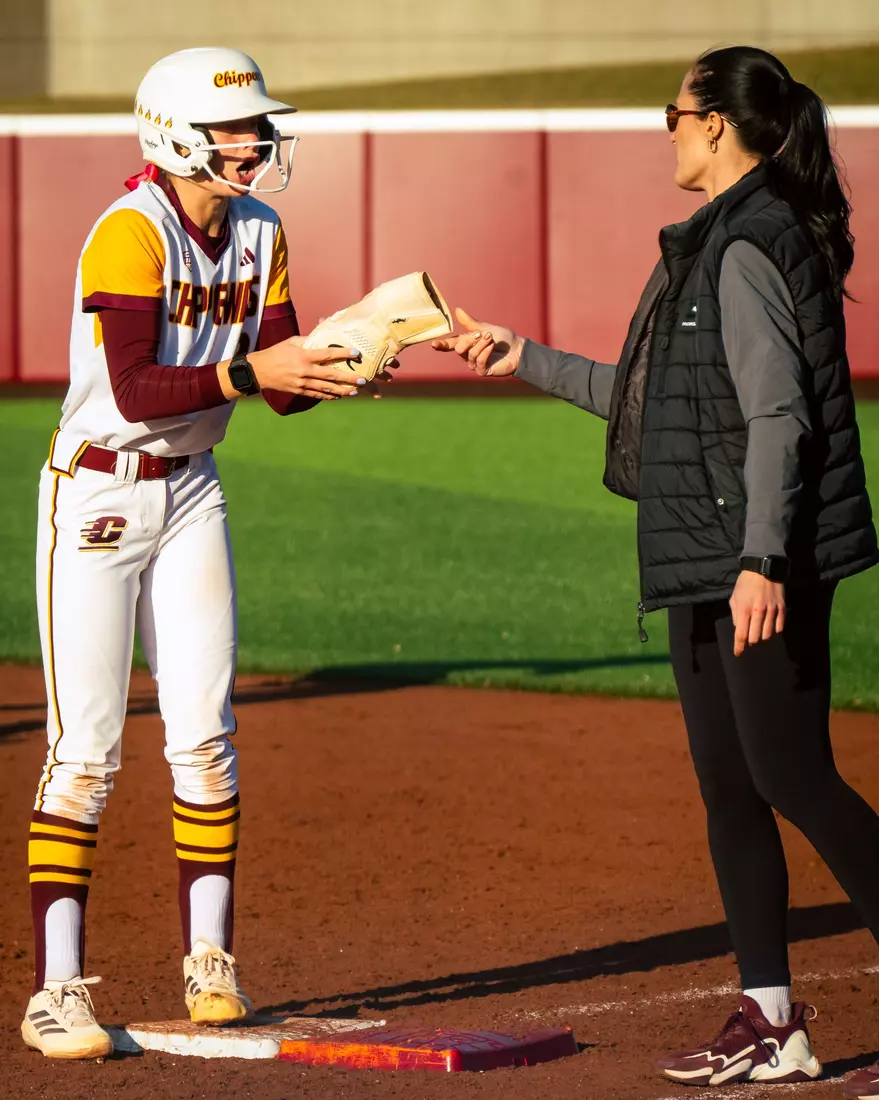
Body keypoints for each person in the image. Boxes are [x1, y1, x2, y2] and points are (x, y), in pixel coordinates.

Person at [433, 45, 879, 1096]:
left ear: (718, 124)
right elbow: (655, 402)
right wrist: (521, 355)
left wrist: (764, 559)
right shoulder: (709, 242)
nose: (667, 129)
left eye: (672, 114)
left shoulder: (747, 243)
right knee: (733, 787)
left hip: (749, 562)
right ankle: (771, 1021)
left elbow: (780, 418)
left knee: (794, 777)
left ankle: (776, 1018)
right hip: (702, 560)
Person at [23, 47, 374, 1059]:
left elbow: (279, 380)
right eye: (235, 130)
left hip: (189, 493)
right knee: (84, 751)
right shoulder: (127, 233)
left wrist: (343, 364)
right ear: (177, 136)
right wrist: (259, 368)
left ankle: (210, 960)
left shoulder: (261, 228)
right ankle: (55, 989)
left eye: (256, 127)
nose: (255, 142)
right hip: (97, 490)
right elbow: (135, 391)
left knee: (207, 733)